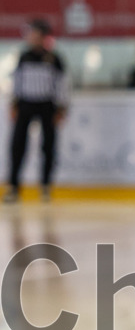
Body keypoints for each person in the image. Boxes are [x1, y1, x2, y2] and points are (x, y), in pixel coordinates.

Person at [5, 18, 70, 204]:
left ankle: (45, 187)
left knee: (48, 146)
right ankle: (14, 188)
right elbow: (17, 81)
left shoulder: (54, 58)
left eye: (34, 34)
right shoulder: (24, 57)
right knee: (18, 145)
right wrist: (14, 104)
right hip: (25, 103)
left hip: (47, 105)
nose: (31, 38)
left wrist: (62, 107)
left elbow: (62, 84)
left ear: (43, 37)